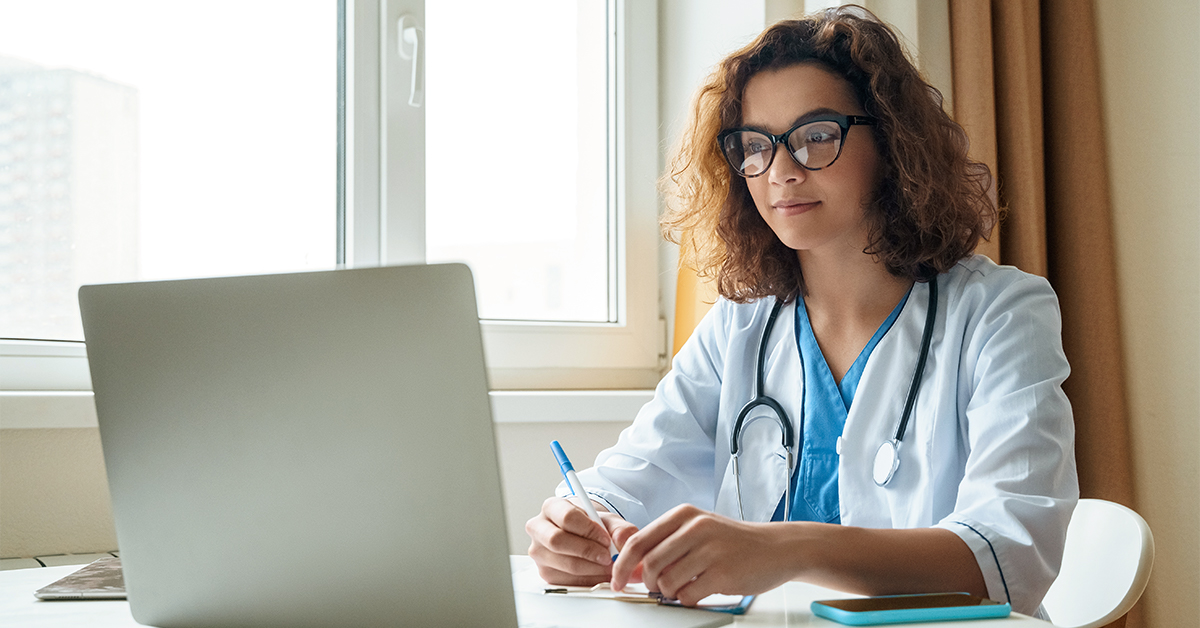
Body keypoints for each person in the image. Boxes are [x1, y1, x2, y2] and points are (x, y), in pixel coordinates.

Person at [525, 6, 1077, 618]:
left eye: (817, 135)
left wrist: (787, 548)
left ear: (893, 143)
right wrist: (576, 525)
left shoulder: (1002, 314)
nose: (782, 172)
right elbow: (623, 483)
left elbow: (1009, 557)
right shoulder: (740, 324)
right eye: (756, 146)